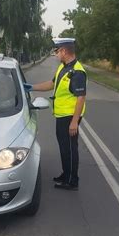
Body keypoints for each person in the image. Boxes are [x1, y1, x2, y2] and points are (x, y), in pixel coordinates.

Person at [24, 38, 87, 190]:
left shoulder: (77, 72)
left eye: (57, 51)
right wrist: (31, 87)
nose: (56, 54)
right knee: (64, 147)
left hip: (69, 117)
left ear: (64, 51)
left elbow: (81, 98)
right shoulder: (64, 67)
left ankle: (72, 181)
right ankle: (66, 174)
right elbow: (52, 84)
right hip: (61, 116)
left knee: (70, 149)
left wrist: (74, 121)